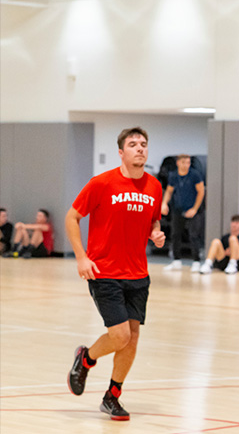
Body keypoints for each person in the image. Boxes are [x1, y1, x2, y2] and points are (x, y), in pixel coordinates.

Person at [65, 127, 165, 421]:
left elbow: (153, 221)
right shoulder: (102, 183)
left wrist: (156, 234)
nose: (140, 148)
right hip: (104, 272)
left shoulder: (154, 187)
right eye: (133, 144)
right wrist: (81, 257)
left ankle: (113, 396)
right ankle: (86, 358)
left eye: (144, 144)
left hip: (138, 274)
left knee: (132, 340)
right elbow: (72, 217)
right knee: (120, 336)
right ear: (121, 152)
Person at [161, 154, 205, 272]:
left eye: (188, 162)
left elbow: (201, 192)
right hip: (178, 209)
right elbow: (169, 191)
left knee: (193, 235)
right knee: (175, 234)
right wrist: (164, 203)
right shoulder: (174, 175)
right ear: (178, 163)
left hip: (193, 210)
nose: (187, 165)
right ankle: (176, 261)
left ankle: (196, 262)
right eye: (184, 162)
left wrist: (195, 209)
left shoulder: (195, 174)